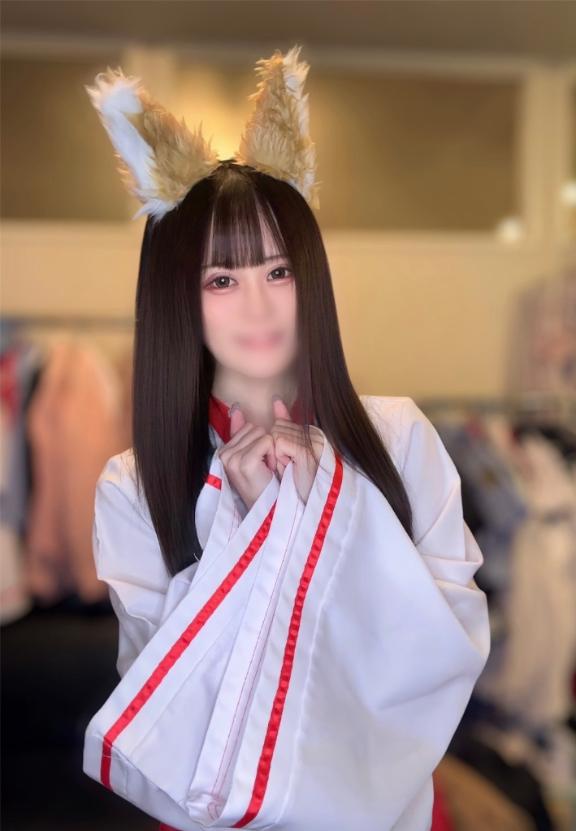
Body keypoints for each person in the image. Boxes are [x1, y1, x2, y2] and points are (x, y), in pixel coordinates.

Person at [82, 46, 491, 831]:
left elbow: (451, 644)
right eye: (221, 279)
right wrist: (241, 523)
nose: (259, 305)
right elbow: (159, 693)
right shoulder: (132, 484)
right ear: (178, 297)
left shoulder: (398, 435)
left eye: (279, 271)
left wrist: (327, 511)